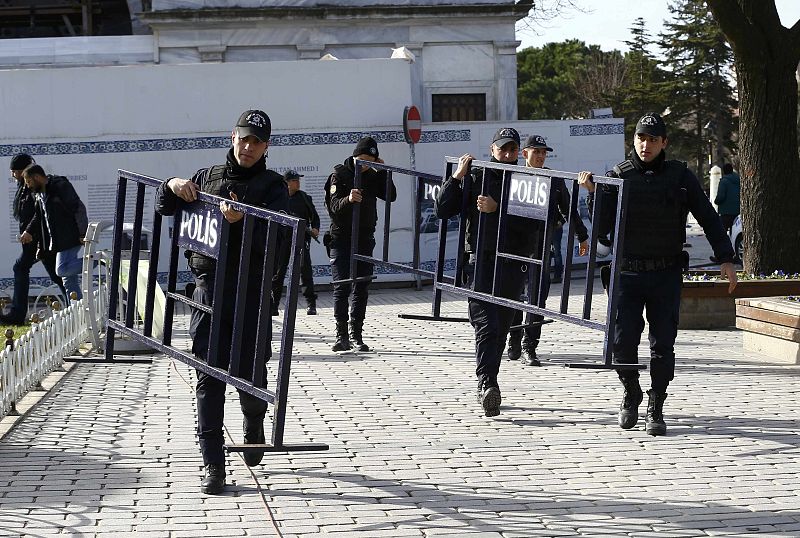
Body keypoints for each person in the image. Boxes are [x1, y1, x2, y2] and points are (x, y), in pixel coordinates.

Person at [578, 112, 737, 436]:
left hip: (665, 274)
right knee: (622, 344)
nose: (645, 144)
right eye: (640, 138)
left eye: (652, 139)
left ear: (663, 142)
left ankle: (656, 405)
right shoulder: (618, 176)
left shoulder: (680, 176)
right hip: (628, 274)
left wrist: (726, 258)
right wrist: (595, 193)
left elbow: (707, 215)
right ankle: (631, 392)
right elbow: (603, 227)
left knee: (662, 345)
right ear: (633, 140)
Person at [154, 109, 288, 494]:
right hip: (207, 291)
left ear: (266, 146)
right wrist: (172, 184)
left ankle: (253, 419)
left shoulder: (273, 186)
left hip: (250, 294)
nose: (248, 147)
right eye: (243, 138)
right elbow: (167, 207)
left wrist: (242, 222)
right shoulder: (206, 177)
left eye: (256, 142)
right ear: (232, 136)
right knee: (207, 377)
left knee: (249, 372)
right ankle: (213, 462)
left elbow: (281, 241)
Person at [435, 127, 541, 417]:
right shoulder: (476, 177)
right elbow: (442, 210)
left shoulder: (527, 180)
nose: (506, 154)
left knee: (501, 328)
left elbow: (535, 226)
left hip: (512, 263)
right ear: (492, 150)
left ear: (518, 152)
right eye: (501, 149)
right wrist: (456, 177)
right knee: (486, 325)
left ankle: (489, 381)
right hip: (479, 262)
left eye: (511, 149)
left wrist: (499, 208)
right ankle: (487, 384)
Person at [506, 135, 589, 367]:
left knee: (537, 299)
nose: (541, 157)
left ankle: (529, 346)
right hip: (514, 247)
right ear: (525, 154)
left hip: (541, 247)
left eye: (544, 153)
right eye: (536, 152)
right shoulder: (513, 177)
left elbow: (569, 210)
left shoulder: (553, 179)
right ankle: (513, 337)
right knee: (512, 295)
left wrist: (581, 236)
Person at [324, 136, 396, 352]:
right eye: (362, 160)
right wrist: (349, 199)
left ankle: (356, 333)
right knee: (342, 286)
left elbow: (391, 196)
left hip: (365, 237)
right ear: (354, 157)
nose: (365, 165)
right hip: (341, 238)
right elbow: (333, 206)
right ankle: (341, 334)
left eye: (370, 161)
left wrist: (382, 172)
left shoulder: (373, 176)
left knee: (361, 286)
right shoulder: (339, 175)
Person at [0, 155, 66, 324]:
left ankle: (17, 314)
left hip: (40, 238)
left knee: (21, 268)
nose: (13, 175)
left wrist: (29, 231)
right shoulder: (23, 186)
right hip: (35, 240)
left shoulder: (32, 186)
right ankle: (77, 305)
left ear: (23, 170)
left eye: (15, 171)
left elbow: (40, 212)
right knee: (56, 274)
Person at [22, 164, 88, 301]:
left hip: (71, 236)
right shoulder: (40, 194)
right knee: (68, 280)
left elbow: (78, 208)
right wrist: (28, 231)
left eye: (28, 182)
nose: (28, 186)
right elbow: (39, 217)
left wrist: (83, 233)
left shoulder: (60, 186)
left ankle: (98, 261)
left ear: (37, 177)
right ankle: (77, 310)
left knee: (61, 270)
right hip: (58, 241)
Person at [271, 170, 321, 316]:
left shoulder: (304, 198)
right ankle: (274, 305)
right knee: (278, 273)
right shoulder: (279, 198)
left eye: (298, 180)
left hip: (300, 240)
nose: (298, 183)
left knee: (305, 272)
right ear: (287, 183)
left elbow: (314, 217)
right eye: (295, 180)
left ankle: (311, 305)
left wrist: (315, 228)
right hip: (282, 240)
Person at [714, 162, 740, 235]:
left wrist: (716, 201)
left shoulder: (724, 181)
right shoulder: (739, 180)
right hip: (738, 210)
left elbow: (721, 196)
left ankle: (724, 245)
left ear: (724, 171)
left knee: (722, 232)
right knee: (735, 231)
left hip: (726, 211)